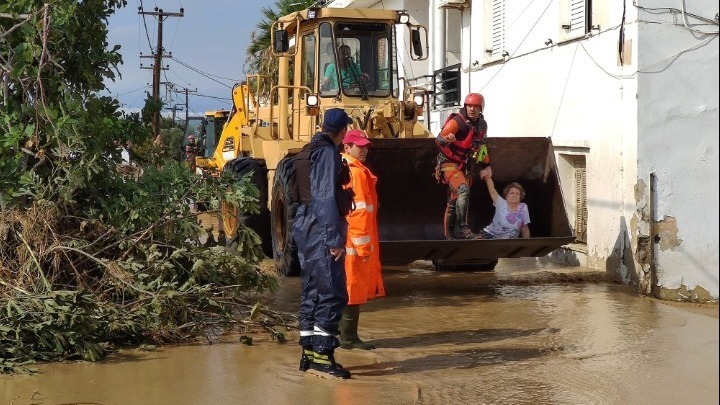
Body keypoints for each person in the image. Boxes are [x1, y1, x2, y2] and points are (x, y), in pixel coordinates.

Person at [292, 108, 354, 379]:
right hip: (320, 226)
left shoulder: (304, 152)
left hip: (303, 224)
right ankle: (322, 356)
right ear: (342, 132)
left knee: (312, 290)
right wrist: (334, 240)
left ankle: (308, 352)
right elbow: (325, 197)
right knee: (332, 291)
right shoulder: (328, 153)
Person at [339, 130, 385, 350]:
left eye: (366, 146)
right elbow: (358, 211)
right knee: (352, 287)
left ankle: (345, 337)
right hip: (354, 242)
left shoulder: (348, 168)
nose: (364, 150)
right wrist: (362, 244)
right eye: (359, 146)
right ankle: (348, 339)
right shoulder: (355, 172)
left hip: (348, 239)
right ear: (347, 147)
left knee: (349, 287)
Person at [434, 92, 491, 240]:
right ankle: (464, 229)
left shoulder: (482, 125)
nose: (472, 109)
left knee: (454, 200)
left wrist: (487, 165)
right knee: (463, 190)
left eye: (475, 106)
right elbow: (439, 140)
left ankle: (449, 237)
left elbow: (481, 148)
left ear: (481, 109)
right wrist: (448, 139)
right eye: (469, 106)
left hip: (466, 166)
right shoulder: (456, 122)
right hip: (449, 164)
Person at [478, 173, 531, 239]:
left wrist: (527, 245)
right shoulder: (501, 203)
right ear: (506, 195)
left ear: (521, 197)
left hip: (509, 242)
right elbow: (492, 189)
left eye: (517, 194)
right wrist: (487, 177)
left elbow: (524, 228)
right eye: (512, 193)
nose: (514, 195)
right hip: (490, 235)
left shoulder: (523, 208)